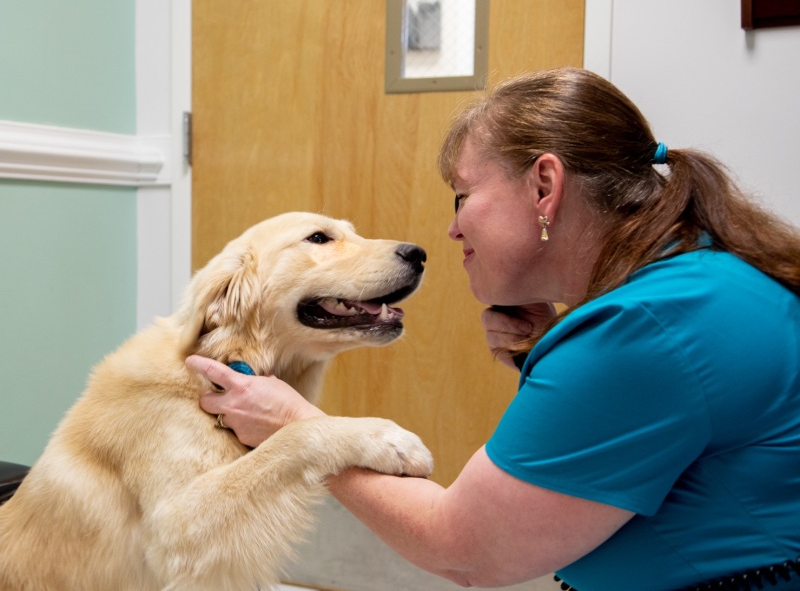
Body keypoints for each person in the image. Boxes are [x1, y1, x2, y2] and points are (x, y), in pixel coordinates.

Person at [186, 68, 800, 591]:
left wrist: (295, 429)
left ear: (544, 186)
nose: (452, 232)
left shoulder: (641, 330)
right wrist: (555, 351)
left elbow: (467, 549)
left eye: (462, 196)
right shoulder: (703, 276)